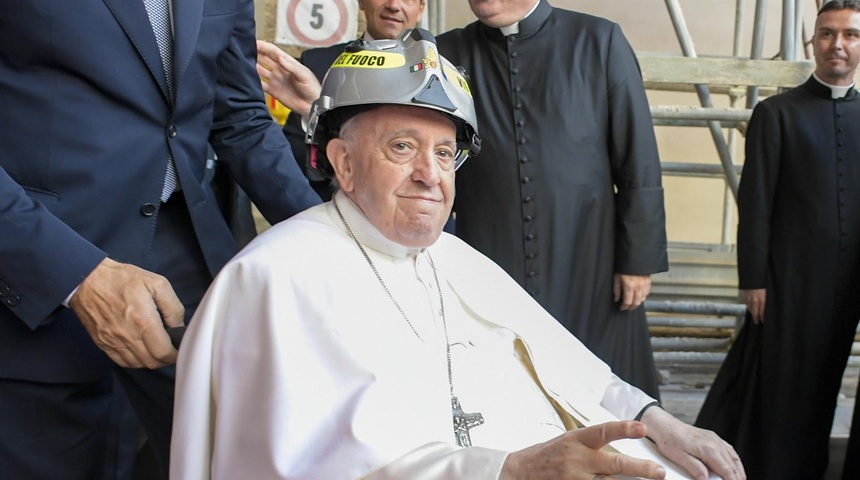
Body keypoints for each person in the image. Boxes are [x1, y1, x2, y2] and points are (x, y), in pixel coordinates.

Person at [171, 30, 744, 480]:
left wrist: (657, 421)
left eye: (445, 155)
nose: (430, 176)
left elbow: (576, 373)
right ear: (342, 164)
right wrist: (509, 470)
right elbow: (296, 465)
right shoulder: (272, 278)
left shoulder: (456, 257)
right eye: (403, 147)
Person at [0, 0, 320, 479]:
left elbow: (242, 120)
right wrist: (71, 274)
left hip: (190, 267)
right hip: (39, 270)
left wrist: (330, 237)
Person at [431, 0, 668, 400]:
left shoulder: (598, 40)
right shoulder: (445, 52)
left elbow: (637, 155)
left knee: (606, 399)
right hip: (489, 255)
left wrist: (638, 261)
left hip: (589, 255)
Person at [694, 2, 860, 479]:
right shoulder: (776, 113)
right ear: (814, 43)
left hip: (848, 287)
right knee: (781, 384)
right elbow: (757, 205)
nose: (838, 44)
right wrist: (755, 280)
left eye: (849, 34)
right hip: (788, 281)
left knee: (827, 381)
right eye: (827, 34)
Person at [258, 0, 425, 201]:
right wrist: (316, 112)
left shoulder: (440, 74)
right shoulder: (316, 65)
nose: (394, 5)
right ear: (361, 2)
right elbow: (291, 160)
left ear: (421, 9)